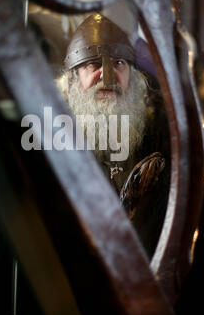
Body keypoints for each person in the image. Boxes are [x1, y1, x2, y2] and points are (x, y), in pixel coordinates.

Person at [57, 13, 170, 256]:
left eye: (119, 63)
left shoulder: (160, 140)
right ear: (74, 78)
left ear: (133, 76)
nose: (107, 77)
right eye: (94, 64)